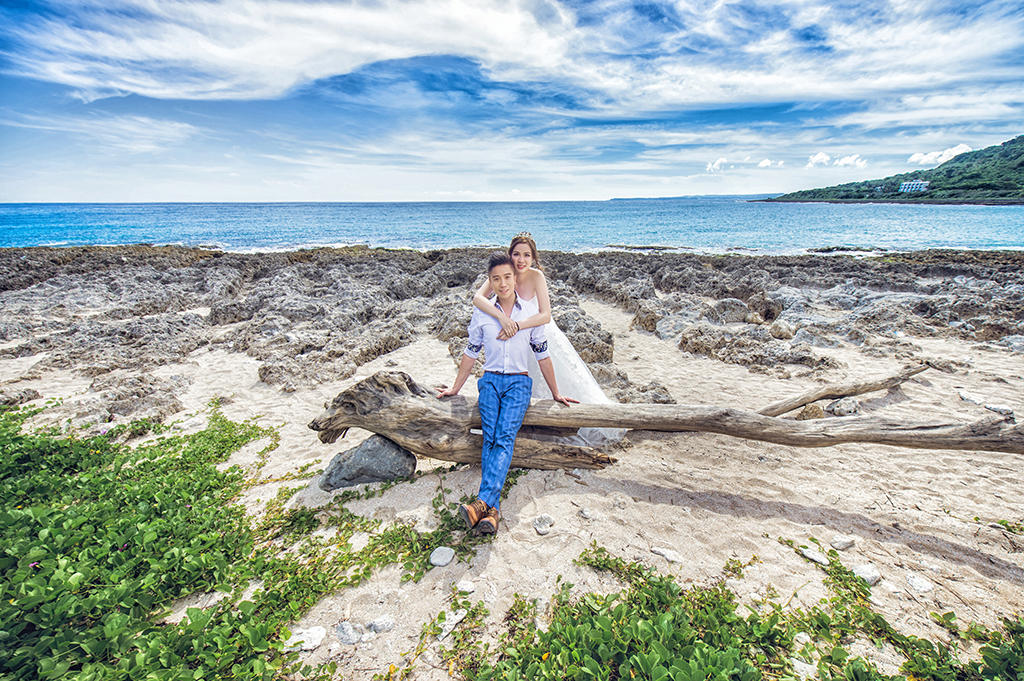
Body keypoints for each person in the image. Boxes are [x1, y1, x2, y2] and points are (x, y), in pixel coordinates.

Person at [436, 251, 577, 535]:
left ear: (515, 277)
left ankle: (482, 502)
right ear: (490, 281)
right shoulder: (483, 312)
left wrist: (556, 392)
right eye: (496, 279)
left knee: (503, 437)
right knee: (490, 439)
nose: (502, 283)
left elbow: (542, 355)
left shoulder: (530, 314)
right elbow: (470, 352)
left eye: (507, 277)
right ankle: (492, 512)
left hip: (518, 383)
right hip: (489, 381)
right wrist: (455, 387)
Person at [473, 232, 623, 447]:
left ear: (533, 257)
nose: (521, 260)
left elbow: (545, 315)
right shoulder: (505, 274)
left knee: (556, 378)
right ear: (510, 254)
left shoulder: (536, 277)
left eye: (526, 255)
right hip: (513, 339)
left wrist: (517, 325)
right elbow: (477, 298)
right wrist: (502, 318)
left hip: (536, 333)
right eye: (516, 254)